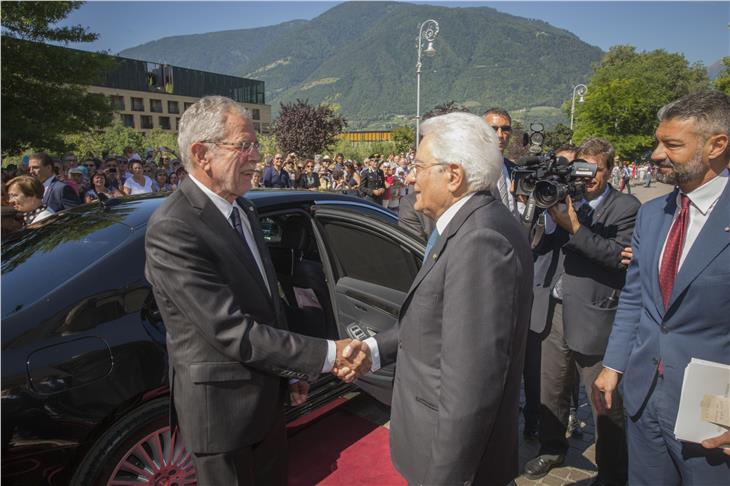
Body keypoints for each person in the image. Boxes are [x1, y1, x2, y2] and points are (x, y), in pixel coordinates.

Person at [144, 96, 369, 485]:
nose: (256, 157)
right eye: (244, 146)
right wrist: (327, 355)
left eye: (256, 146)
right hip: (222, 417)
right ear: (202, 153)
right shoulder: (174, 227)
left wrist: (291, 371)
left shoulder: (244, 209)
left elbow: (268, 304)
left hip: (267, 402)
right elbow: (231, 330)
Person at [342, 112, 534, 485]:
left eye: (417, 166)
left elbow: (472, 383)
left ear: (453, 175)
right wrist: (374, 350)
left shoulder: (480, 241)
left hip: (449, 461)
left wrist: (446, 477)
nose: (409, 177)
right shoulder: (469, 224)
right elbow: (435, 323)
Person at [594, 90, 730, 485]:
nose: (655, 154)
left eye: (671, 144)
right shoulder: (653, 213)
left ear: (717, 145)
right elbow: (636, 298)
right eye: (658, 141)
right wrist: (614, 365)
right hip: (642, 398)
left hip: (711, 420)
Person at [524, 138, 638, 485]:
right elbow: (534, 246)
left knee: (604, 400)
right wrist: (546, 216)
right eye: (580, 170)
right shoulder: (560, 198)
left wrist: (573, 226)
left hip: (594, 314)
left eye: (594, 171)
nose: (586, 178)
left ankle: (612, 470)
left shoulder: (626, 207)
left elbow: (616, 257)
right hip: (552, 309)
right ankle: (552, 447)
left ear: (609, 170)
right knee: (551, 387)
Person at [483, 107, 521, 218]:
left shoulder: (515, 170)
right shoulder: (472, 170)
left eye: (505, 129)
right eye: (493, 129)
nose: (500, 135)